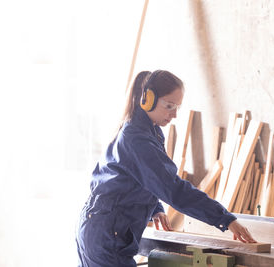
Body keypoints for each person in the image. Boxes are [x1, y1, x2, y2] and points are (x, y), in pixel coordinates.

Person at [76, 70, 256, 267]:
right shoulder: (137, 138)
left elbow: (141, 178)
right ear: (147, 99)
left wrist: (155, 208)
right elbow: (174, 190)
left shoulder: (149, 130)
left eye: (177, 107)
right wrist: (225, 219)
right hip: (106, 234)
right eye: (169, 106)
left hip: (102, 227)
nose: (174, 114)